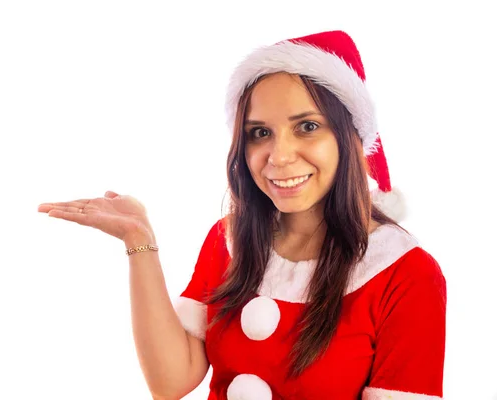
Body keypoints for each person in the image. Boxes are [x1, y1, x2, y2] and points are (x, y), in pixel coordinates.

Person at [38, 30, 446, 400]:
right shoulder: (229, 238)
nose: (279, 157)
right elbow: (171, 381)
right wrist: (138, 241)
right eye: (260, 132)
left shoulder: (405, 273)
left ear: (352, 138)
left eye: (306, 126)